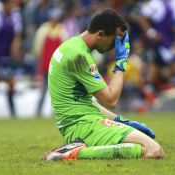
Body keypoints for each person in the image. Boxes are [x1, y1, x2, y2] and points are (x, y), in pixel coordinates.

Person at [43, 9, 164, 161]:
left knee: (144, 146)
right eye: (114, 40)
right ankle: (72, 154)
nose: (115, 47)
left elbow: (87, 102)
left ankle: (74, 149)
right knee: (154, 150)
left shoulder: (71, 46)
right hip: (84, 127)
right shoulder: (79, 56)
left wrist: (121, 121)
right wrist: (121, 62)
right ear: (100, 34)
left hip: (81, 124)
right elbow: (111, 99)